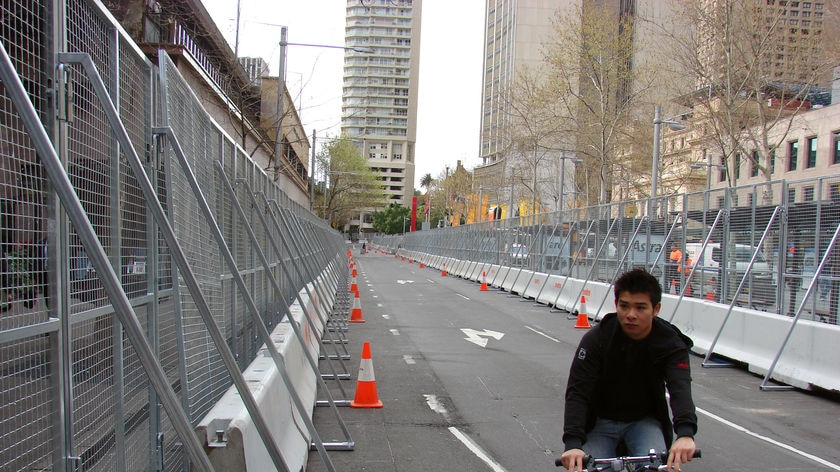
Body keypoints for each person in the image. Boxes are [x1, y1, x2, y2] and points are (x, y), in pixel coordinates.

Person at [559, 268, 697, 472]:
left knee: (658, 468)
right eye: (624, 306)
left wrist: (685, 433)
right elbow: (578, 392)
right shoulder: (596, 340)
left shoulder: (671, 344)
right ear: (616, 305)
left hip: (644, 421)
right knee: (587, 468)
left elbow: (680, 388)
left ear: (656, 309)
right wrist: (572, 444)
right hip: (600, 422)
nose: (631, 315)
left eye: (641, 308)